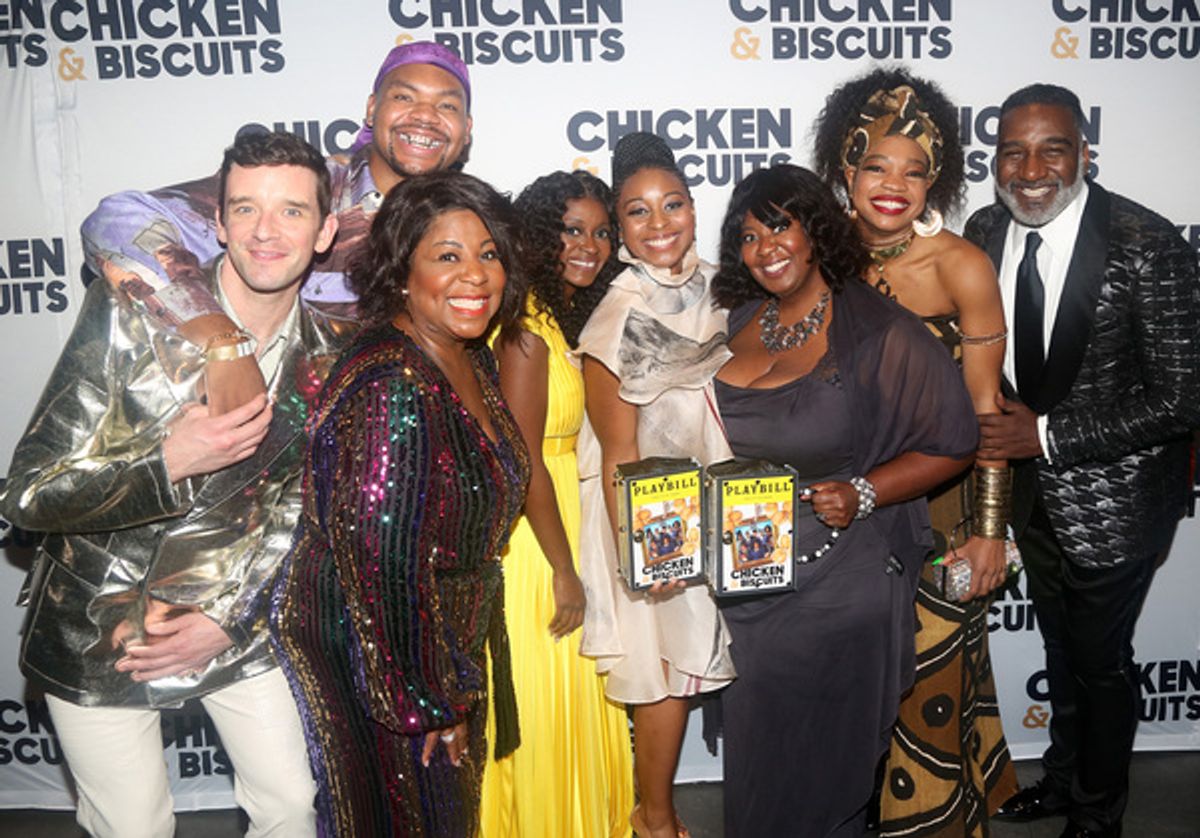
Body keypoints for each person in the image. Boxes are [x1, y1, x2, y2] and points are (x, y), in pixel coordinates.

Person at [0, 130, 349, 838]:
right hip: (99, 628)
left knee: (289, 805)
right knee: (135, 828)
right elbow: (27, 495)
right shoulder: (127, 313)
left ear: (326, 231)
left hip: (235, 624)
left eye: (292, 211)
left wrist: (230, 616)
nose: (266, 231)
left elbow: (305, 521)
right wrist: (167, 463)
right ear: (216, 224)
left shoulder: (334, 357)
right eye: (245, 209)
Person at [711, 164, 978, 837]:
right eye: (747, 236)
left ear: (815, 231)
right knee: (760, 766)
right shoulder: (738, 321)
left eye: (780, 227)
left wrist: (865, 491)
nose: (765, 247)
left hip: (837, 588)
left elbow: (954, 442)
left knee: (828, 773)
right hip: (749, 587)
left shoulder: (878, 332)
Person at [967, 84, 1200, 838]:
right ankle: (1065, 781)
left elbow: (1181, 398)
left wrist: (1049, 437)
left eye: (1052, 149)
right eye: (1013, 150)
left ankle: (1100, 815)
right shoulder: (982, 230)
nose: (1031, 169)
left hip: (1120, 503)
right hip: (1029, 499)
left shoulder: (1146, 242)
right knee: (1060, 647)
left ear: (1084, 155)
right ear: (996, 158)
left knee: (1101, 663)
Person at [270, 170, 531, 837]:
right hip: (384, 659)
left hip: (439, 645)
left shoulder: (467, 356)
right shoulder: (392, 383)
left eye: (489, 254)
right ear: (401, 268)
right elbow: (383, 564)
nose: (474, 275)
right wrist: (426, 702)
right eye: (447, 255)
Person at [812, 68, 1019, 835]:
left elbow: (987, 412)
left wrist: (991, 530)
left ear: (938, 178)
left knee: (927, 690)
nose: (893, 185)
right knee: (849, 693)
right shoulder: (816, 257)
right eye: (876, 166)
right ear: (845, 167)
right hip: (840, 517)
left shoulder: (960, 266)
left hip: (939, 510)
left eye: (915, 169)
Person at [80, 39, 473, 415]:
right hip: (278, 445)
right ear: (372, 110)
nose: (425, 116)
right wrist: (220, 339)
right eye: (404, 97)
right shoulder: (304, 191)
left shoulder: (471, 224)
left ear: (466, 129)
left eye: (447, 106)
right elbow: (117, 221)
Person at [575, 132, 735, 838]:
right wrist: (649, 555)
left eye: (673, 204)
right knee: (663, 667)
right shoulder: (618, 313)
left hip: (726, 495)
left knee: (699, 656)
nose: (660, 223)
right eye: (638, 212)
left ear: (695, 210)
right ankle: (658, 819)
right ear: (620, 229)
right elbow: (617, 452)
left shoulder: (727, 285)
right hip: (651, 509)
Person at [480, 170, 635, 837]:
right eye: (572, 230)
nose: (590, 246)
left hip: (568, 528)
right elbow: (523, 460)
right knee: (547, 715)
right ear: (538, 234)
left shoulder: (564, 320)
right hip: (538, 548)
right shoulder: (524, 336)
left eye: (602, 232)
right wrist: (565, 570)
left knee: (581, 702)